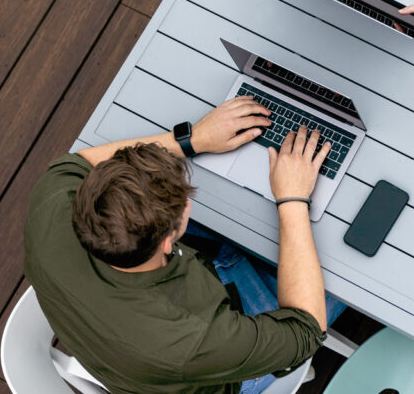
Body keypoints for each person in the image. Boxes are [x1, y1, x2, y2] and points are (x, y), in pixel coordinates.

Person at [24, 95, 343, 394]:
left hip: (129, 327)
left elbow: (79, 163)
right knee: (340, 277)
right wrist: (292, 197)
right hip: (214, 370)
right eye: (184, 203)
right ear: (167, 241)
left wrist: (195, 138)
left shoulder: (53, 203)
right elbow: (306, 330)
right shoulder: (190, 343)